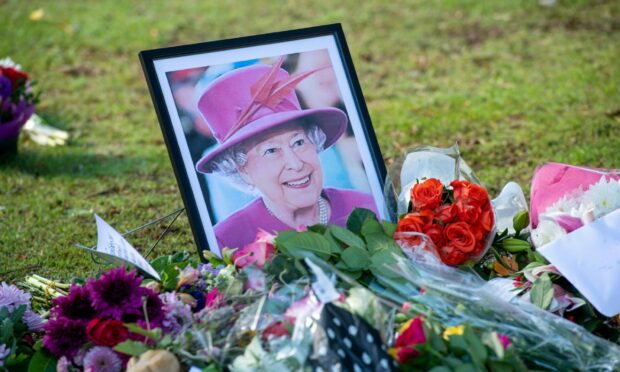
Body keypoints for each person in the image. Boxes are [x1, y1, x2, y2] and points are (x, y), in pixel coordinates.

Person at [195, 57, 378, 249]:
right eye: (271, 150)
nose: (296, 163)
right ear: (243, 170)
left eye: (298, 142)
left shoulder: (368, 208)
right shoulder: (226, 242)